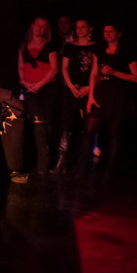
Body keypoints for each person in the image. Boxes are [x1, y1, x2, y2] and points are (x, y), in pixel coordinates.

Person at [78, 22, 137, 182]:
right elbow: (93, 74)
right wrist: (90, 97)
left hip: (118, 96)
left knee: (115, 134)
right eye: (105, 31)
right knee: (90, 130)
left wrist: (115, 72)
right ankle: (82, 168)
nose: (107, 34)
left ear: (118, 33)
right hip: (101, 94)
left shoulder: (126, 52)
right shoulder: (100, 51)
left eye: (111, 31)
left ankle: (110, 170)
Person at [17, 16, 60, 175]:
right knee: (39, 120)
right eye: (37, 25)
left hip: (47, 88)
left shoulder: (50, 46)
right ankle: (43, 162)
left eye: (43, 26)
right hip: (31, 90)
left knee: (47, 124)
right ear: (32, 26)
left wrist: (39, 84)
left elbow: (54, 69)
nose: (39, 29)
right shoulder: (24, 46)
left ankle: (46, 158)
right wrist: (25, 82)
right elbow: (21, 67)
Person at [55, 18, 96, 173]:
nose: (80, 30)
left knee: (88, 126)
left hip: (89, 90)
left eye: (83, 27)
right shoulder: (69, 46)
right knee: (66, 124)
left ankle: (83, 163)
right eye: (77, 27)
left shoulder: (95, 47)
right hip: (72, 89)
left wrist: (89, 88)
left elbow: (96, 70)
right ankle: (62, 161)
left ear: (89, 29)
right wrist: (71, 86)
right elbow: (64, 68)